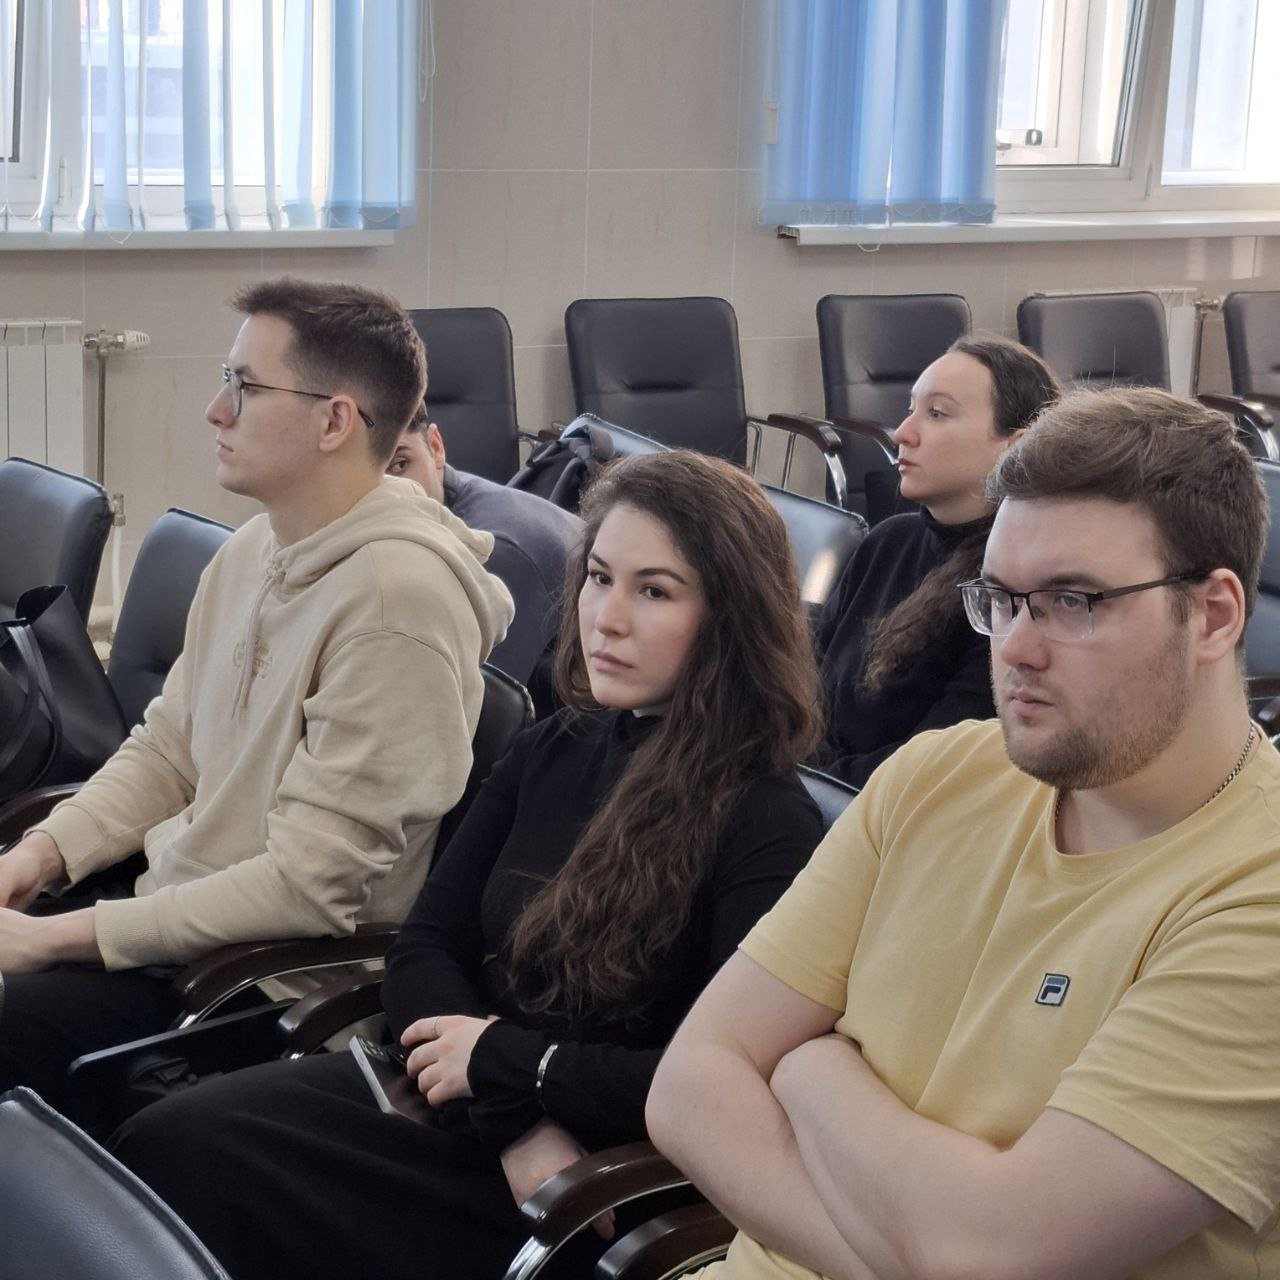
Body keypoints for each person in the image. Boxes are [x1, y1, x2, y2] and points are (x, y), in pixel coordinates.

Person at [112, 450, 827, 1280]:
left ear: (731, 618)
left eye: (655, 592)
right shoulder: (556, 744)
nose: (606, 618)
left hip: (585, 1187)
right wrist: (511, 1113)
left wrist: (503, 1068)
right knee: (159, 1144)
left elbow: (710, 1083)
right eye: (599, 578)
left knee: (189, 1163)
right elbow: (425, 945)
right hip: (478, 1115)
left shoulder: (767, 821)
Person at [648, 389, 1280, 1280]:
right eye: (1002, 599)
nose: (1015, 648)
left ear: (1213, 615)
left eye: (1071, 600)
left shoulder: (1257, 892)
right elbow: (689, 1086)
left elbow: (992, 1255)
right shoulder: (937, 774)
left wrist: (807, 1068)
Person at [0, 278, 513, 1107]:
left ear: (334, 421)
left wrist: (56, 939)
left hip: (259, 985)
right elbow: (169, 750)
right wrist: (37, 857)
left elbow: (307, 887)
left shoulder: (398, 604)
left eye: (244, 386)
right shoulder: (255, 548)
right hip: (173, 927)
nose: (216, 410)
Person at [816, 336, 1060, 787]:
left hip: (883, 810)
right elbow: (805, 692)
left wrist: (800, 790)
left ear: (1015, 445)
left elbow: (934, 768)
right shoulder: (888, 542)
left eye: (937, 414)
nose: (902, 434)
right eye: (911, 409)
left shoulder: (1015, 594)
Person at [386, 410, 582, 685]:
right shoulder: (436, 507)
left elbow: (468, 702)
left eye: (399, 465)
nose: (390, 492)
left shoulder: (491, 553)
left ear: (435, 447)